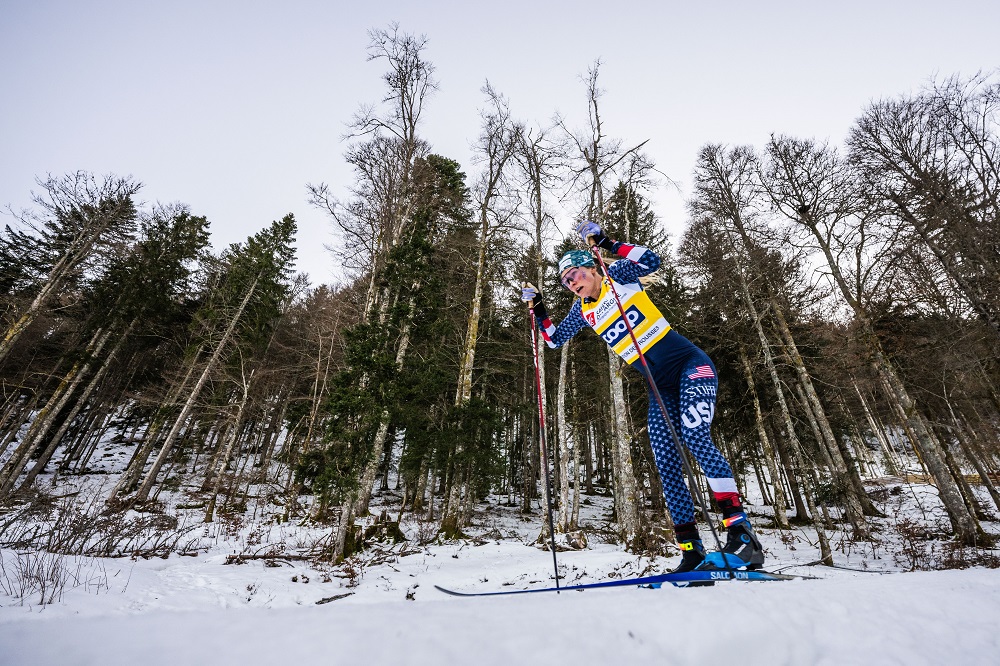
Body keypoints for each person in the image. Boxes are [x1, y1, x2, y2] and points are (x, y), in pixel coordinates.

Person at [521, 220, 764, 572]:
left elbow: (652, 260)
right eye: (566, 281)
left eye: (576, 274)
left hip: (688, 364)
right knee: (666, 464)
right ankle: (691, 552)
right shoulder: (583, 311)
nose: (573, 283)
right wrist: (540, 308)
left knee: (695, 437)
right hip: (658, 386)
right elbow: (553, 339)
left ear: (592, 268)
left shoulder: (616, 274)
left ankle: (741, 535)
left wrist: (606, 242)